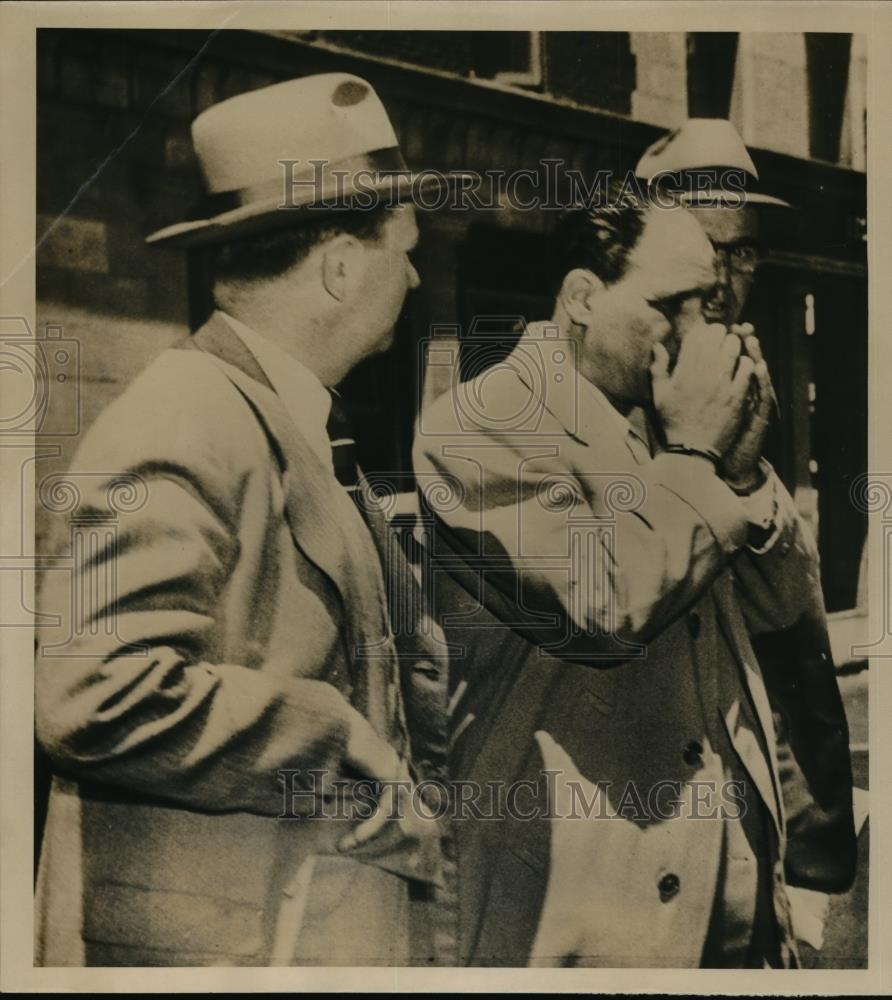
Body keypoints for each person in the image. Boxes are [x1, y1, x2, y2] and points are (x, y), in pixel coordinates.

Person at [34, 73, 456, 967]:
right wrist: (328, 733)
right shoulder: (186, 413)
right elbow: (91, 691)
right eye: (404, 251)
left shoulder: (277, 416)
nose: (415, 278)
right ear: (341, 267)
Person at [413, 184, 847, 967]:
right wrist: (694, 461)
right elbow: (604, 609)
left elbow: (782, 617)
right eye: (671, 305)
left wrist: (746, 481)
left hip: (729, 899)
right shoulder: (482, 421)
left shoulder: (665, 417)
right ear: (583, 296)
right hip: (589, 909)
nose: (697, 334)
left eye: (709, 305)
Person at [637, 120, 857, 905]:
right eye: (707, 250)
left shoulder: (743, 378)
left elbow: (787, 619)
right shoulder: (617, 402)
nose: (727, 280)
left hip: (774, 817)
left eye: (744, 252)